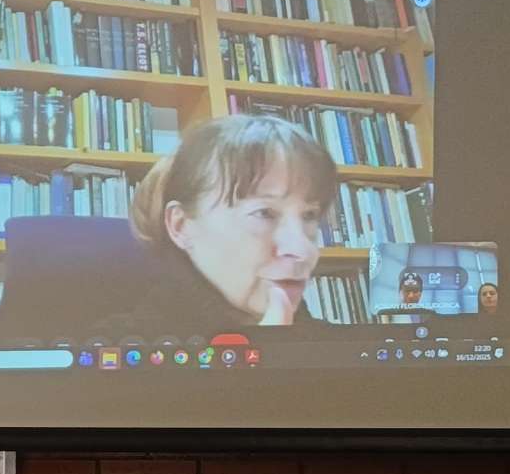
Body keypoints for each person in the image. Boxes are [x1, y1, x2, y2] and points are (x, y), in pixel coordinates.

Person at [88, 113, 338, 337]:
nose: (304, 251)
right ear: (181, 227)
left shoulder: (341, 351)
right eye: (264, 213)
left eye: (309, 215)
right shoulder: (116, 352)